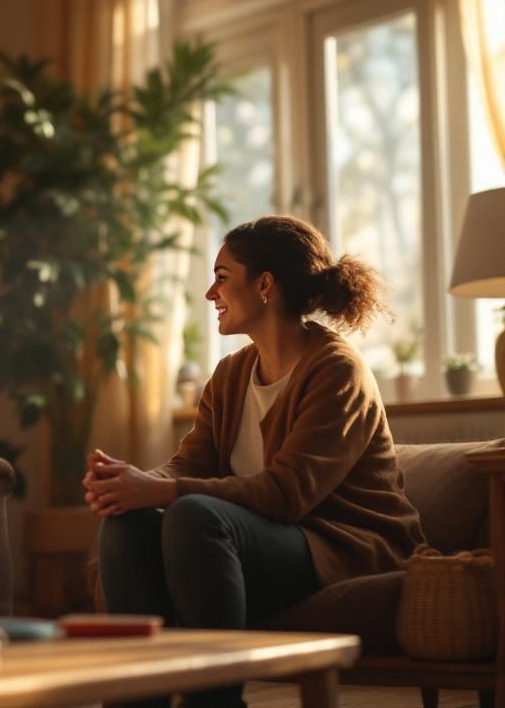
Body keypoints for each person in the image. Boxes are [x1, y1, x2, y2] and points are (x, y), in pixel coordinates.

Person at [85, 216, 425, 707]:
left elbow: (288, 494)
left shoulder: (337, 371)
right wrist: (131, 483)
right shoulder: (231, 373)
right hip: (258, 546)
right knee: (126, 523)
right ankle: (139, 702)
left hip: (340, 545)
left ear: (264, 285)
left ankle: (217, 702)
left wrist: (164, 490)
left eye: (222, 277)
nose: (209, 293)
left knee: (194, 515)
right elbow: (190, 464)